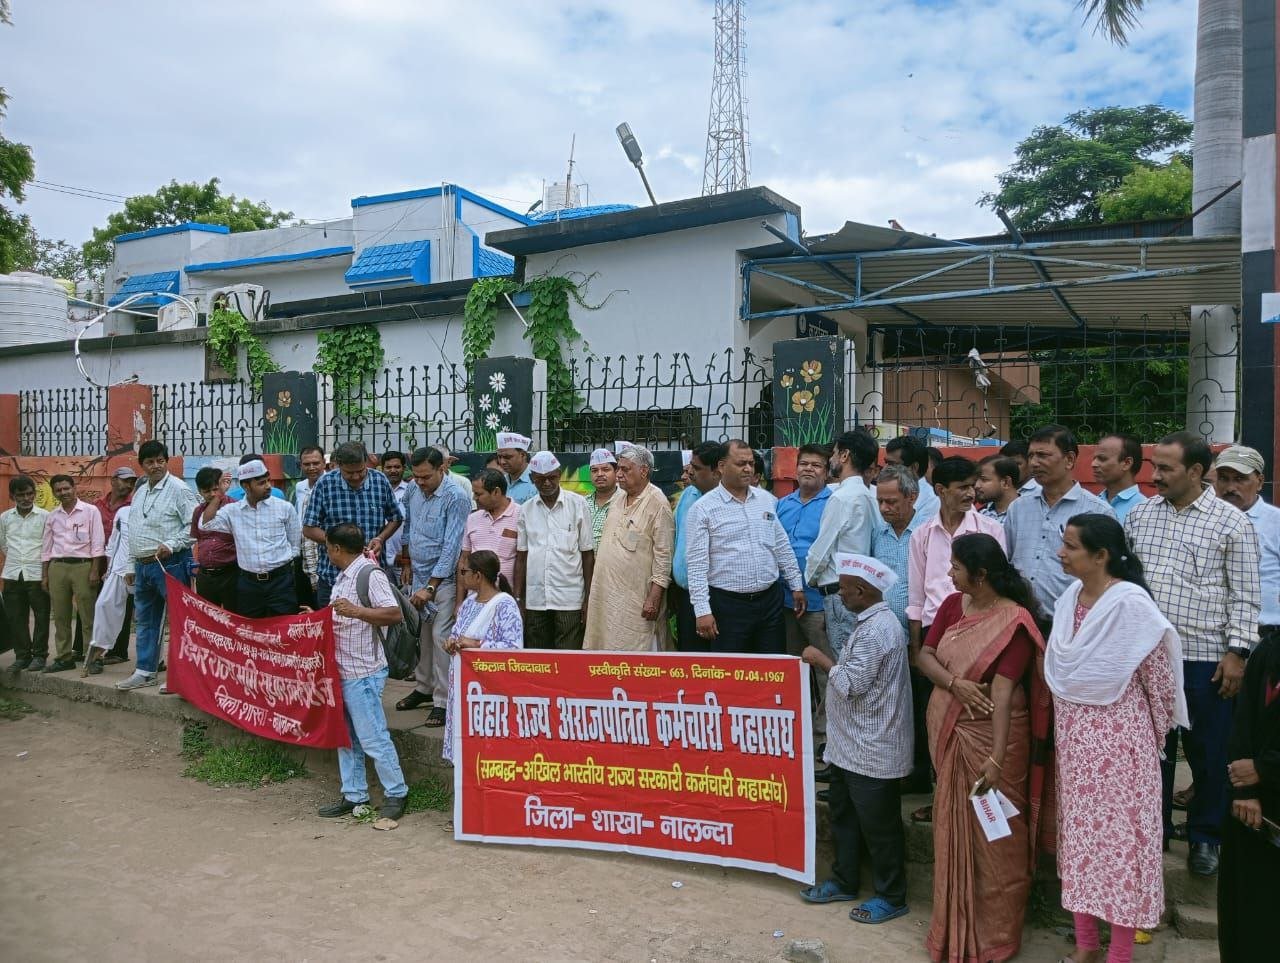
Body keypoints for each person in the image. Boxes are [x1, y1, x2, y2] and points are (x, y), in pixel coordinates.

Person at [1047, 514, 1186, 963]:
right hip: (1075, 749)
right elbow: (1063, 670)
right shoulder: (1070, 599)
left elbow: (1159, 683)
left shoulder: (1130, 605)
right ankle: (1087, 946)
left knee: (1122, 849)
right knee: (1083, 845)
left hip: (1122, 749)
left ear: (1101, 556)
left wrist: (1152, 738)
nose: (1061, 554)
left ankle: (1119, 954)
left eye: (1071, 547)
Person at [1125, 431, 1261, 877]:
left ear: (1196, 472)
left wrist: (1237, 652)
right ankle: (1154, 832)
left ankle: (1206, 837)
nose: (1154, 476)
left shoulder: (1231, 523)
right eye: (1154, 466)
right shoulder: (1141, 516)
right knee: (1152, 752)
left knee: (1208, 752)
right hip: (1147, 656)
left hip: (1206, 657)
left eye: (1165, 468)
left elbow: (1245, 595)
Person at [914, 533, 1051, 963]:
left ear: (981, 574)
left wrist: (994, 758)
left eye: (955, 568)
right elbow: (925, 655)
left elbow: (1005, 693)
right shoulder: (954, 606)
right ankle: (950, 930)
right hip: (953, 733)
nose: (948, 573)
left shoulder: (1014, 620)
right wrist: (954, 683)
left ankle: (994, 939)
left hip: (996, 743)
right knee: (952, 833)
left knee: (998, 843)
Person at [798, 554, 913, 925]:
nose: (840, 595)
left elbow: (850, 685)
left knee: (880, 828)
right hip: (850, 746)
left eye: (844, 589)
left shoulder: (878, 629)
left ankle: (892, 896)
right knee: (845, 816)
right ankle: (845, 879)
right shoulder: (871, 622)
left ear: (862, 591)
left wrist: (821, 659)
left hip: (872, 748)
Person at [905, 456, 1006, 796]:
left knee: (976, 712)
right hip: (936, 630)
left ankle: (978, 792)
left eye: (972, 486)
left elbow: (1000, 589)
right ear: (940, 490)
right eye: (962, 488)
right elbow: (917, 596)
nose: (970, 493)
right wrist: (918, 650)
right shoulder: (922, 535)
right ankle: (941, 793)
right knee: (935, 715)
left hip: (981, 628)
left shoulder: (990, 531)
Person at [315, 523, 409, 826]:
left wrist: (356, 611)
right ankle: (354, 794)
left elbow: (393, 613)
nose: (327, 552)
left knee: (372, 737)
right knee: (347, 737)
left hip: (363, 671)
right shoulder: (344, 578)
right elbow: (341, 616)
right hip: (343, 668)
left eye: (328, 547)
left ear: (336, 549)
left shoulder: (369, 574)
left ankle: (396, 792)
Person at [686, 440, 803, 654]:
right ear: (721, 466)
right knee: (732, 673)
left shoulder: (767, 500)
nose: (748, 468)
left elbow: (781, 545)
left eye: (750, 463)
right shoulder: (703, 509)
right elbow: (696, 564)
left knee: (772, 669)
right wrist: (702, 610)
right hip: (728, 605)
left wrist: (796, 585)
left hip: (769, 601)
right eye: (741, 463)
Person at [1005, 425, 1115, 616]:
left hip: (1070, 622)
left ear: (1069, 460)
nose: (1034, 463)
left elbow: (1108, 574)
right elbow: (1008, 559)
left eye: (1043, 455)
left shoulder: (1097, 511)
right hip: (1019, 618)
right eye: (1031, 456)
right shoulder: (1018, 507)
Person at [1218, 622, 1280, 961]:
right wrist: (1246, 789)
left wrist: (1266, 769)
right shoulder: (1268, 650)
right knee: (1244, 915)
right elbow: (1242, 722)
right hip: (1251, 806)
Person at [396, 446, 470, 726]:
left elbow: (452, 546)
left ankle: (443, 699)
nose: (420, 482)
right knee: (422, 635)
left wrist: (431, 586)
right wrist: (406, 562)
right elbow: (408, 526)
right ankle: (424, 687)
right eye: (415, 476)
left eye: (426, 476)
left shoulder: (457, 497)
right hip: (417, 575)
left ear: (442, 469)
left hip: (445, 580)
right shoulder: (414, 490)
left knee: (441, 637)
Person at [122, 440, 199, 691]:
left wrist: (171, 544)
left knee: (179, 620)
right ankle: (145, 671)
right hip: (143, 564)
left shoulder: (179, 489)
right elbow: (133, 528)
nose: (155, 466)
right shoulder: (141, 489)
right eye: (150, 462)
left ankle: (181, 677)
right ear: (141, 464)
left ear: (166, 461)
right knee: (145, 620)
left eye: (160, 461)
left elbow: (194, 526)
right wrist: (130, 565)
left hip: (171, 562)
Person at [584, 445, 675, 652]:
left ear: (643, 471)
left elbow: (664, 554)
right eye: (619, 469)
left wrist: (654, 597)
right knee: (604, 649)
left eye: (625, 469)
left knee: (636, 653)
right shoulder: (618, 499)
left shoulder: (657, 502)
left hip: (636, 599)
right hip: (606, 596)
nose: (619, 474)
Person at [442, 549, 524, 763]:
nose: (462, 575)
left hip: (489, 689)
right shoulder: (469, 603)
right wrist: (451, 642)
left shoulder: (505, 605)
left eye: (464, 571)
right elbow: (457, 633)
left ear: (477, 576)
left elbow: (513, 649)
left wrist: (478, 645)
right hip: (463, 684)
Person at [301, 441, 403, 608]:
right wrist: (339, 543)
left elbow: (395, 518)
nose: (356, 477)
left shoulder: (380, 481)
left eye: (360, 471)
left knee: (371, 629)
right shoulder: (325, 484)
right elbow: (309, 528)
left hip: (371, 576)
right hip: (333, 576)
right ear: (338, 466)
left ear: (367, 463)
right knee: (333, 628)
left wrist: (380, 538)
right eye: (349, 473)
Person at [807, 430, 880, 655]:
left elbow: (822, 548)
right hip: (863, 588)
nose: (831, 459)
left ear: (845, 455)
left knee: (845, 663)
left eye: (835, 453)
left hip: (840, 592)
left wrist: (809, 577)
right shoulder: (869, 495)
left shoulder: (841, 497)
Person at [198, 460, 301, 618]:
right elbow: (205, 525)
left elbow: (295, 545)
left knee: (284, 630)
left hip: (281, 583)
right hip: (249, 585)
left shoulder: (284, 507)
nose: (268, 486)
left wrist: (282, 569)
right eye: (261, 483)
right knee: (251, 632)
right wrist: (218, 496)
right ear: (246, 486)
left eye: (268, 481)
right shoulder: (232, 511)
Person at [516, 451, 594, 651]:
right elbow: (521, 557)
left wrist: (588, 599)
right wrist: (519, 599)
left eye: (551, 477)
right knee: (538, 657)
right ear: (533, 479)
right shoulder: (525, 510)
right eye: (540, 479)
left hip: (570, 599)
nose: (547, 483)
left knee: (568, 657)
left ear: (559, 475)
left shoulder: (578, 504)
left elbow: (587, 555)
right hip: (536, 599)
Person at [1212, 445, 1280, 646]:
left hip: (1267, 639)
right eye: (1223, 478)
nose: (1230, 488)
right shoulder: (1206, 523)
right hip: (1215, 639)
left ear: (1259, 482)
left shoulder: (1275, 522)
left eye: (1240, 479)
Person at [41, 474, 105, 673]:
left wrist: (95, 570)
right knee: (60, 615)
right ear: (54, 492)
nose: (63, 493)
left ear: (74, 488)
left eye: (66, 488)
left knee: (88, 614)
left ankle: (92, 658)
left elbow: (97, 543)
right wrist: (45, 575)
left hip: (83, 566)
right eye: (58, 490)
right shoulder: (52, 516)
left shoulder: (90, 511)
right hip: (57, 567)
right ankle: (64, 657)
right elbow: (46, 547)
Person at [669, 442, 724, 652]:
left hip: (714, 596)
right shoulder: (687, 496)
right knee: (690, 657)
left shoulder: (725, 501)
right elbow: (678, 540)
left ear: (716, 472)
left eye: (696, 467)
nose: (689, 471)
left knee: (716, 658)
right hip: (685, 595)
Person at [778, 444, 832, 658]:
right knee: (791, 663)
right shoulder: (781, 504)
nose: (808, 469)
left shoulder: (833, 504)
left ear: (826, 473)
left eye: (816, 465)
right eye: (804, 464)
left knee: (824, 664)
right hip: (784, 600)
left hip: (818, 602)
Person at [1, 475, 50, 674]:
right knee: (15, 617)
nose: (26, 498)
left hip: (37, 573)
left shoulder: (45, 516)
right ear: (12, 496)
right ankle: (22, 656)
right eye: (21, 495)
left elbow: (48, 545)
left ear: (34, 494)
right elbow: (3, 544)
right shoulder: (4, 518)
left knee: (41, 616)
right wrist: (16, 559)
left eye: (30, 494)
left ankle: (39, 655)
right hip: (12, 573)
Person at [84, 502, 136, 676]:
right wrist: (108, 568)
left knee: (147, 617)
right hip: (118, 569)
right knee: (103, 606)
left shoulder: (161, 512)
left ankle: (153, 661)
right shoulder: (124, 512)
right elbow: (114, 542)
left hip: (146, 569)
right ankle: (97, 655)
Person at [870, 465, 923, 633]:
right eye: (880, 501)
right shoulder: (877, 533)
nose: (884, 508)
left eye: (891, 502)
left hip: (921, 631)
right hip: (884, 633)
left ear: (912, 497)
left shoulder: (927, 533)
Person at [458, 468, 521, 599]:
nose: (474, 498)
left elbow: (524, 562)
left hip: (506, 599)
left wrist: (518, 599)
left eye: (479, 494)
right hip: (473, 599)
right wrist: (459, 602)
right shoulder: (472, 518)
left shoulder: (521, 516)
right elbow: (463, 561)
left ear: (496, 492)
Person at [190, 466, 240, 613]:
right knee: (208, 620)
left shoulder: (234, 507)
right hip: (206, 576)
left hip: (231, 574)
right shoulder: (198, 512)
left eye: (215, 489)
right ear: (199, 491)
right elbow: (197, 540)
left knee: (234, 618)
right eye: (207, 491)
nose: (212, 494)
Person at [292, 444, 327, 607]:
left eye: (316, 463)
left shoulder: (331, 484)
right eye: (307, 464)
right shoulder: (300, 487)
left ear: (323, 463)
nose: (311, 468)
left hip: (325, 549)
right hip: (304, 551)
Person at [1092, 433, 1148, 524]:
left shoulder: (1144, 509)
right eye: (1094, 458)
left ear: (1127, 463)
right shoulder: (1092, 502)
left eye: (1102, 459)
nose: (1093, 464)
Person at [885, 435, 939, 522]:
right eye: (886, 463)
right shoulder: (883, 491)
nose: (885, 469)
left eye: (892, 464)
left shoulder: (931, 501)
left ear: (914, 467)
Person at [378, 450, 412, 577]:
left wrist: (406, 556)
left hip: (403, 561)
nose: (393, 470)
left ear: (404, 468)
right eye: (389, 467)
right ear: (382, 469)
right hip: (378, 559)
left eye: (397, 467)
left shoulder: (411, 491)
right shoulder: (375, 492)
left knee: (405, 596)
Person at [586, 448, 621, 550]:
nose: (600, 474)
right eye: (594, 470)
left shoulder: (626, 502)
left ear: (616, 472)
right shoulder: (582, 503)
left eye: (606, 469)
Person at [975, 455, 1021, 523]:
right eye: (976, 480)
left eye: (984, 480)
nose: (976, 485)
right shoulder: (981, 514)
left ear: (1006, 482)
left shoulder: (1027, 514)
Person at [496, 431, 536, 504]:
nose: (502, 462)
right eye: (499, 457)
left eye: (507, 457)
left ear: (523, 455)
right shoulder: (501, 481)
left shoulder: (537, 482)